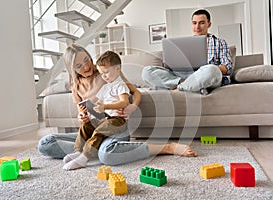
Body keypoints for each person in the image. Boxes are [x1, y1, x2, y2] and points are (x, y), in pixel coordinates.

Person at [38, 44, 198, 168]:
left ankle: (166, 147)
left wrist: (131, 107)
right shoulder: (76, 85)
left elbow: (136, 93)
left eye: (86, 60)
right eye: (79, 66)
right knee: (45, 143)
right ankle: (88, 150)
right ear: (72, 69)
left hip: (114, 127)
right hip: (94, 130)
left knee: (107, 155)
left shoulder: (106, 71)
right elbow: (81, 112)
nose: (86, 67)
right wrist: (82, 116)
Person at [63, 51, 131, 170]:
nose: (104, 76)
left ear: (117, 69)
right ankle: (78, 151)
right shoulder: (105, 87)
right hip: (104, 119)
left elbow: (124, 102)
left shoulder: (120, 85)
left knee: (100, 132)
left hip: (118, 120)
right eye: (101, 73)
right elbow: (96, 103)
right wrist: (85, 113)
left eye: (106, 73)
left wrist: (105, 106)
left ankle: (85, 157)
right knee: (86, 126)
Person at [142, 9, 232, 94]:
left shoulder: (219, 42)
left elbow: (227, 67)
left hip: (205, 76)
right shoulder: (185, 43)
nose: (197, 26)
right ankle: (191, 86)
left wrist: (203, 70)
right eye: (194, 23)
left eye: (201, 23)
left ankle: (179, 89)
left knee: (212, 70)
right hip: (182, 75)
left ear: (209, 24)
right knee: (147, 71)